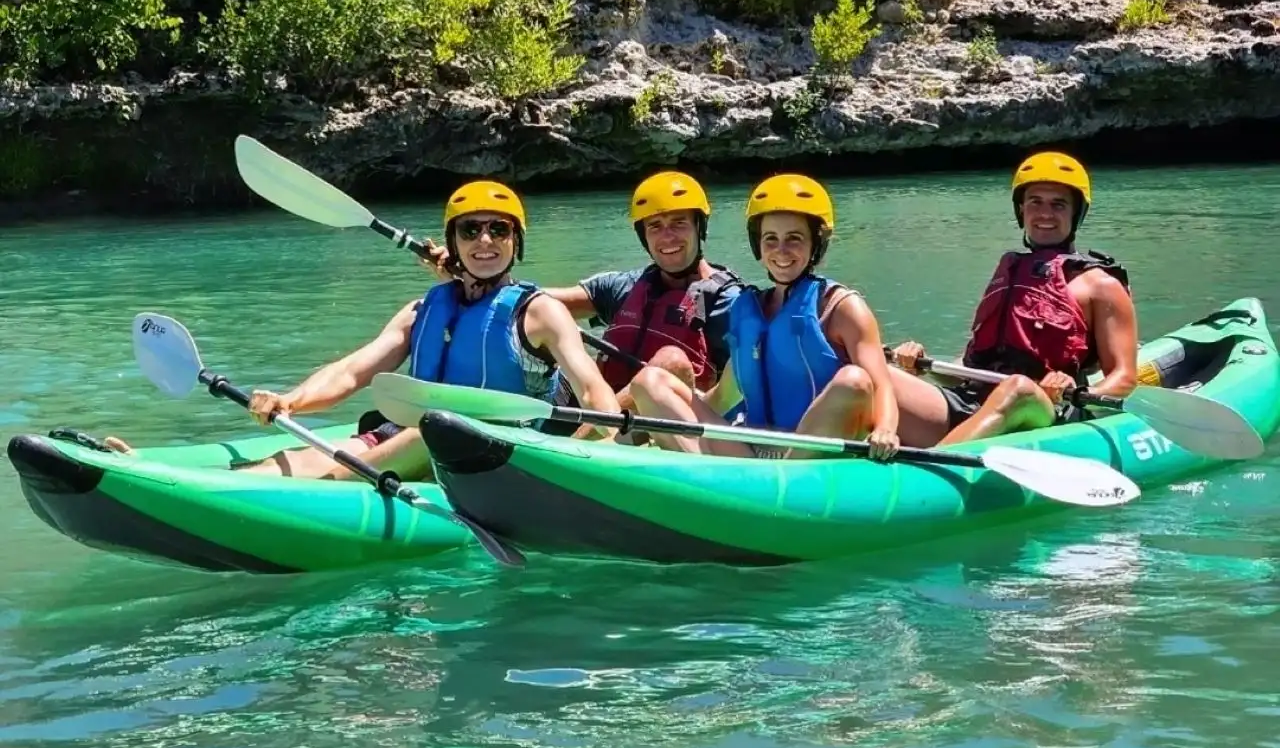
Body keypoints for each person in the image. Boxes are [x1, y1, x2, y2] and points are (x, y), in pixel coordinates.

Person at [105, 181, 621, 478]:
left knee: (426, 432)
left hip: (494, 454)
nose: (484, 241)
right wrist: (290, 400)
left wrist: (577, 461)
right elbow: (353, 372)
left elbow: (595, 395)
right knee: (294, 460)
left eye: (499, 229)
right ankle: (162, 477)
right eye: (470, 229)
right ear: (453, 241)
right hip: (406, 439)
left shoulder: (539, 312)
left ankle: (331, 484)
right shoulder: (422, 310)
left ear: (515, 242)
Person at [422, 171, 745, 435]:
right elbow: (523, 304)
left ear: (699, 227)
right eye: (655, 227)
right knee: (534, 346)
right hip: (595, 406)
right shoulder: (623, 286)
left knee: (670, 363)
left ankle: (578, 452)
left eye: (679, 223)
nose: (667, 237)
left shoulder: (728, 301)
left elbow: (741, 385)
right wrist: (470, 271)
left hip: (656, 423)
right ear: (642, 235)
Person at [624, 173, 901, 460]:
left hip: (809, 456)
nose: (781, 251)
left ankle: (782, 481)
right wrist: (666, 415)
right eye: (771, 239)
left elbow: (881, 386)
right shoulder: (747, 310)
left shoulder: (841, 307)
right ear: (758, 244)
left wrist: (885, 429)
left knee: (854, 380)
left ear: (816, 243)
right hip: (752, 452)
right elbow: (723, 397)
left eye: (794, 238)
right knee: (649, 382)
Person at [888, 151, 1138, 448]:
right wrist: (924, 366)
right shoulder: (1010, 273)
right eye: (1035, 202)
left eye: (1058, 204)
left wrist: (1074, 390)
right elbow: (971, 368)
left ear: (1076, 213)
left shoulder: (1101, 285)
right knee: (878, 373)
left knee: (1018, 389)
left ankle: (931, 465)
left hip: (1047, 412)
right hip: (976, 405)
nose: (1045, 214)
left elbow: (1124, 378)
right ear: (1021, 210)